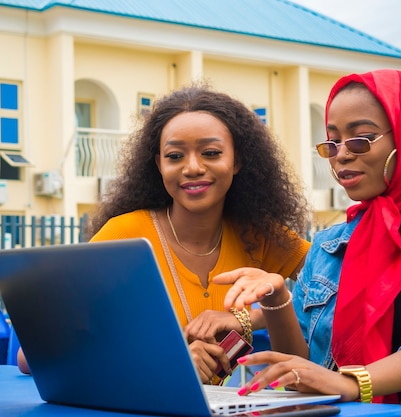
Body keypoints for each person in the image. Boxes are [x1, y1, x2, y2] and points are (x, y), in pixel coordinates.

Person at [214, 69, 401, 416]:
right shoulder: (329, 246)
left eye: (360, 139)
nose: (341, 155)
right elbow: (305, 371)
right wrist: (278, 298)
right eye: (332, 142)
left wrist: (355, 383)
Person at [81, 82, 311, 384]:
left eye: (211, 153)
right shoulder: (124, 235)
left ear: (238, 160)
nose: (192, 168)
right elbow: (34, 356)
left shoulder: (262, 237)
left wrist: (244, 319)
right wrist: (169, 361)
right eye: (175, 156)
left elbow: (340, 291)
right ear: (159, 164)